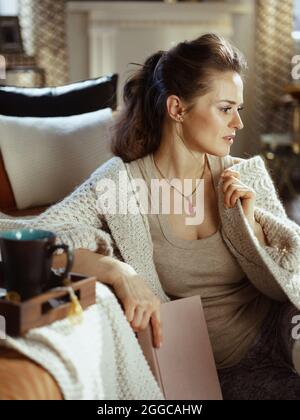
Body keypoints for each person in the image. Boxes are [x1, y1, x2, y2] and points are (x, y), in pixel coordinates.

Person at [1, 33, 300, 400]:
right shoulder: (120, 184)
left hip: (278, 335)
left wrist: (252, 226)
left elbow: (285, 284)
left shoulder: (246, 177)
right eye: (225, 108)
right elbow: (33, 238)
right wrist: (118, 271)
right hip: (194, 371)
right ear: (177, 109)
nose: (238, 123)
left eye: (238, 108)